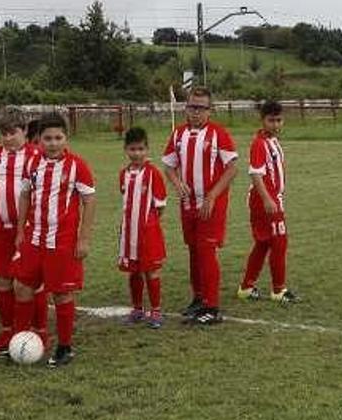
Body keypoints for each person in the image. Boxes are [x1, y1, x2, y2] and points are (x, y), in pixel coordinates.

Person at [11, 113, 96, 368]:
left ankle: (65, 347)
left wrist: (84, 238)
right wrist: (19, 231)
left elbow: (89, 201)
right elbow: (25, 195)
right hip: (34, 240)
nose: (53, 143)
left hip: (62, 243)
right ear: (38, 140)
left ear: (66, 138)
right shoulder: (32, 164)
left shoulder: (77, 166)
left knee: (61, 294)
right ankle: (20, 339)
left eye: (58, 138)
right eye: (47, 138)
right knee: (23, 288)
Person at [162, 87, 239, 325]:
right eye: (191, 107)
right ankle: (198, 298)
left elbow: (232, 167)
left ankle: (212, 307)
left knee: (206, 252)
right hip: (188, 204)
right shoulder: (178, 134)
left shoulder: (218, 134)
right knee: (194, 251)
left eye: (201, 108)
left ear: (209, 110)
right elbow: (169, 166)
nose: (195, 112)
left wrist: (213, 195)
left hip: (209, 205)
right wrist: (177, 183)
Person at [0, 108, 50, 355]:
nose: (7, 138)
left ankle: (39, 331)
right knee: (3, 281)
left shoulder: (36, 155)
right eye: (3, 133)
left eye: (12, 132)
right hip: (0, 228)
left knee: (30, 282)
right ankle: (7, 332)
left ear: (25, 130)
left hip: (28, 230)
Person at [238, 100, 300, 304]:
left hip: (271, 198)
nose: (275, 124)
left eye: (279, 120)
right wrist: (267, 199)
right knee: (279, 242)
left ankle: (246, 287)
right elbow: (256, 174)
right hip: (265, 200)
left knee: (263, 243)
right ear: (262, 120)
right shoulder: (259, 143)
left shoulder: (272, 140)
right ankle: (279, 290)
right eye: (271, 120)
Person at [117, 127, 167, 329]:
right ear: (126, 150)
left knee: (151, 271)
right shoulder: (123, 174)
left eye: (140, 149)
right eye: (132, 149)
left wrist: (149, 224)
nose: (136, 153)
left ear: (147, 149)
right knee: (134, 272)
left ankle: (155, 310)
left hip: (148, 232)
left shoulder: (153, 173)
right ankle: (137, 308)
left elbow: (160, 205)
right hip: (129, 233)